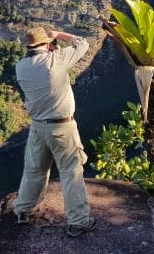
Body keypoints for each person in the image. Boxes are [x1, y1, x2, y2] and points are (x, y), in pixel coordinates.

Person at [13, 26, 97, 237]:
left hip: (37, 128)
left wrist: (50, 46)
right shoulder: (55, 60)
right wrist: (59, 35)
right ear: (47, 43)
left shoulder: (21, 67)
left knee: (34, 169)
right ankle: (78, 221)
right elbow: (83, 43)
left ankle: (23, 210)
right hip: (62, 127)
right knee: (71, 172)